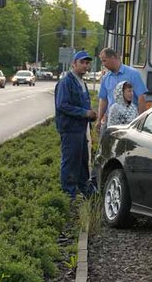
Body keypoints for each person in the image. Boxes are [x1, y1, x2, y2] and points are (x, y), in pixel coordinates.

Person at [55, 50, 97, 199]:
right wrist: (84, 113)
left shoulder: (82, 82)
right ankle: (69, 195)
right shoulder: (66, 82)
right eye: (82, 63)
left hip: (81, 129)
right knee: (71, 161)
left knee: (82, 161)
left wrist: (90, 114)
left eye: (87, 63)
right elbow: (62, 105)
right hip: (70, 130)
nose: (86, 66)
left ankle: (87, 192)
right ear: (74, 64)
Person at [97, 48, 148, 133]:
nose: (103, 64)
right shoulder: (106, 78)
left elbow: (141, 97)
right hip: (111, 120)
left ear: (113, 58)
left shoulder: (133, 74)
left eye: (104, 61)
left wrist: (140, 120)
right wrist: (99, 119)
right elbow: (104, 100)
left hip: (129, 121)